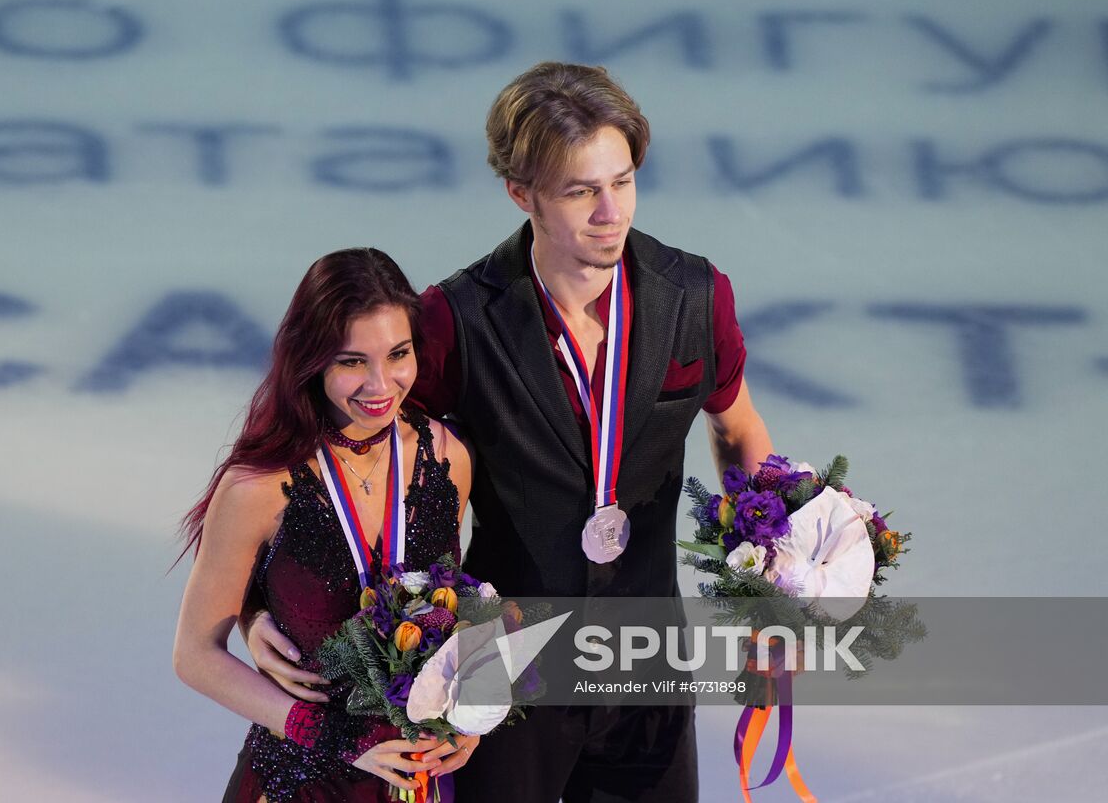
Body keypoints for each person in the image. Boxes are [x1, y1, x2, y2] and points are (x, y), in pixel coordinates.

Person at [248, 63, 776, 802]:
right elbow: (366, 468)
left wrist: (770, 588)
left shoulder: (695, 295)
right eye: (579, 190)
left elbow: (738, 428)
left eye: (622, 182)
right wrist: (260, 605)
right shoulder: (455, 318)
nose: (609, 212)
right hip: (498, 671)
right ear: (521, 193)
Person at [172, 248, 478, 802]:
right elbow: (195, 656)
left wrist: (474, 716)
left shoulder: (447, 456)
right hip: (304, 778)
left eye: (398, 354)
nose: (380, 384)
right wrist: (330, 734)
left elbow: (461, 605)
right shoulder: (257, 485)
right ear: (311, 361)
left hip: (419, 780)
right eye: (352, 361)